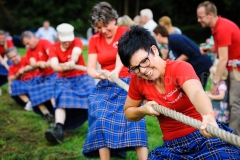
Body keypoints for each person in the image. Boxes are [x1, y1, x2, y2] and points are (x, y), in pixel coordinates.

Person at [118, 25, 240, 159]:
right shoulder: (137, 80)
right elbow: (128, 111)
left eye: (144, 61)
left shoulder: (180, 68)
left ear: (154, 50)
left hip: (203, 136)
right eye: (134, 68)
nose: (142, 71)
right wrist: (143, 110)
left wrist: (208, 115)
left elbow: (196, 93)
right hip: (172, 147)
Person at [82, 2, 148, 160]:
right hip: (106, 84)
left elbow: (123, 55)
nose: (103, 31)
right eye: (99, 27)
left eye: (106, 25)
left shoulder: (127, 33)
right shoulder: (94, 40)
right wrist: (99, 75)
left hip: (129, 82)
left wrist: (116, 71)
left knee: (136, 120)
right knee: (101, 117)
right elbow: (90, 68)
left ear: (114, 20)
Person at [46, 23, 95, 144]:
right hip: (64, 79)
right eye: (64, 40)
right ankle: (59, 130)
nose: (67, 42)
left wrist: (72, 61)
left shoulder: (76, 41)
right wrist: (63, 68)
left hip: (81, 76)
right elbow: (55, 66)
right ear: (59, 37)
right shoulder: (53, 47)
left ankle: (96, 130)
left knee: (93, 99)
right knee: (60, 99)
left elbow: (76, 52)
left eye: (69, 39)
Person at [197, 1, 240, 135]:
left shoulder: (222, 28)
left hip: (236, 69)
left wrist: (215, 82)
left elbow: (223, 58)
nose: (199, 20)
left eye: (201, 17)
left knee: (234, 104)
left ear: (210, 15)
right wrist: (210, 49)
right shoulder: (217, 26)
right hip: (231, 68)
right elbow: (223, 47)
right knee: (228, 103)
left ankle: (234, 140)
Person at [153, 25, 212, 89]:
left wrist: (174, 63)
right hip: (198, 66)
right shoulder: (170, 43)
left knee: (197, 90)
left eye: (155, 36)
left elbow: (189, 52)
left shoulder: (173, 39)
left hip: (201, 64)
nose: (155, 39)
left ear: (159, 34)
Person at [21, 31, 55, 121]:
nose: (28, 45)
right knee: (32, 90)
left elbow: (52, 55)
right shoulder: (29, 51)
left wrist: (46, 63)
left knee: (49, 89)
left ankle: (57, 113)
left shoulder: (44, 42)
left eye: (28, 43)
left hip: (52, 73)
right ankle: (46, 114)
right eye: (26, 44)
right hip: (40, 76)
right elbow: (33, 64)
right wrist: (39, 63)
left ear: (32, 37)